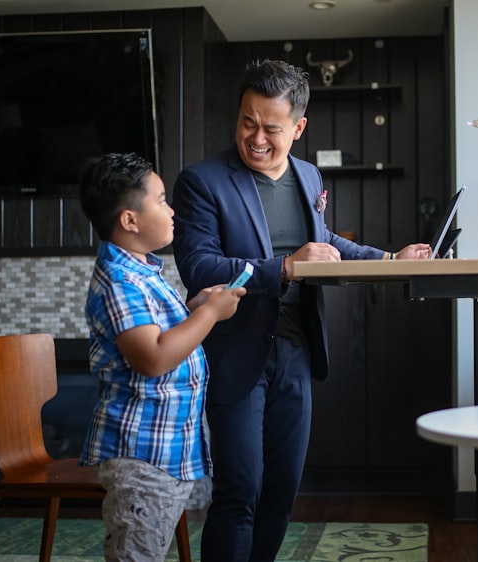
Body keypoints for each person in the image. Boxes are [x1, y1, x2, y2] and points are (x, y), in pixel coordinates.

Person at [171, 59, 432, 561]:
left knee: (282, 491)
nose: (257, 137)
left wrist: (387, 259)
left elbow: (324, 244)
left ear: (298, 127)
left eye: (272, 127)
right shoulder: (202, 181)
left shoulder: (309, 176)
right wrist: (284, 269)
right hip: (236, 353)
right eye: (248, 121)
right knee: (240, 490)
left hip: (295, 351)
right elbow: (200, 267)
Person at [77, 152, 245, 562]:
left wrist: (194, 308)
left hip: (162, 451)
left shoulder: (141, 271)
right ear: (130, 221)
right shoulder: (120, 281)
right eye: (162, 200)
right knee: (136, 554)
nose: (172, 211)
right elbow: (152, 358)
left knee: (148, 548)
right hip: (141, 456)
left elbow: (158, 333)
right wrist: (209, 314)